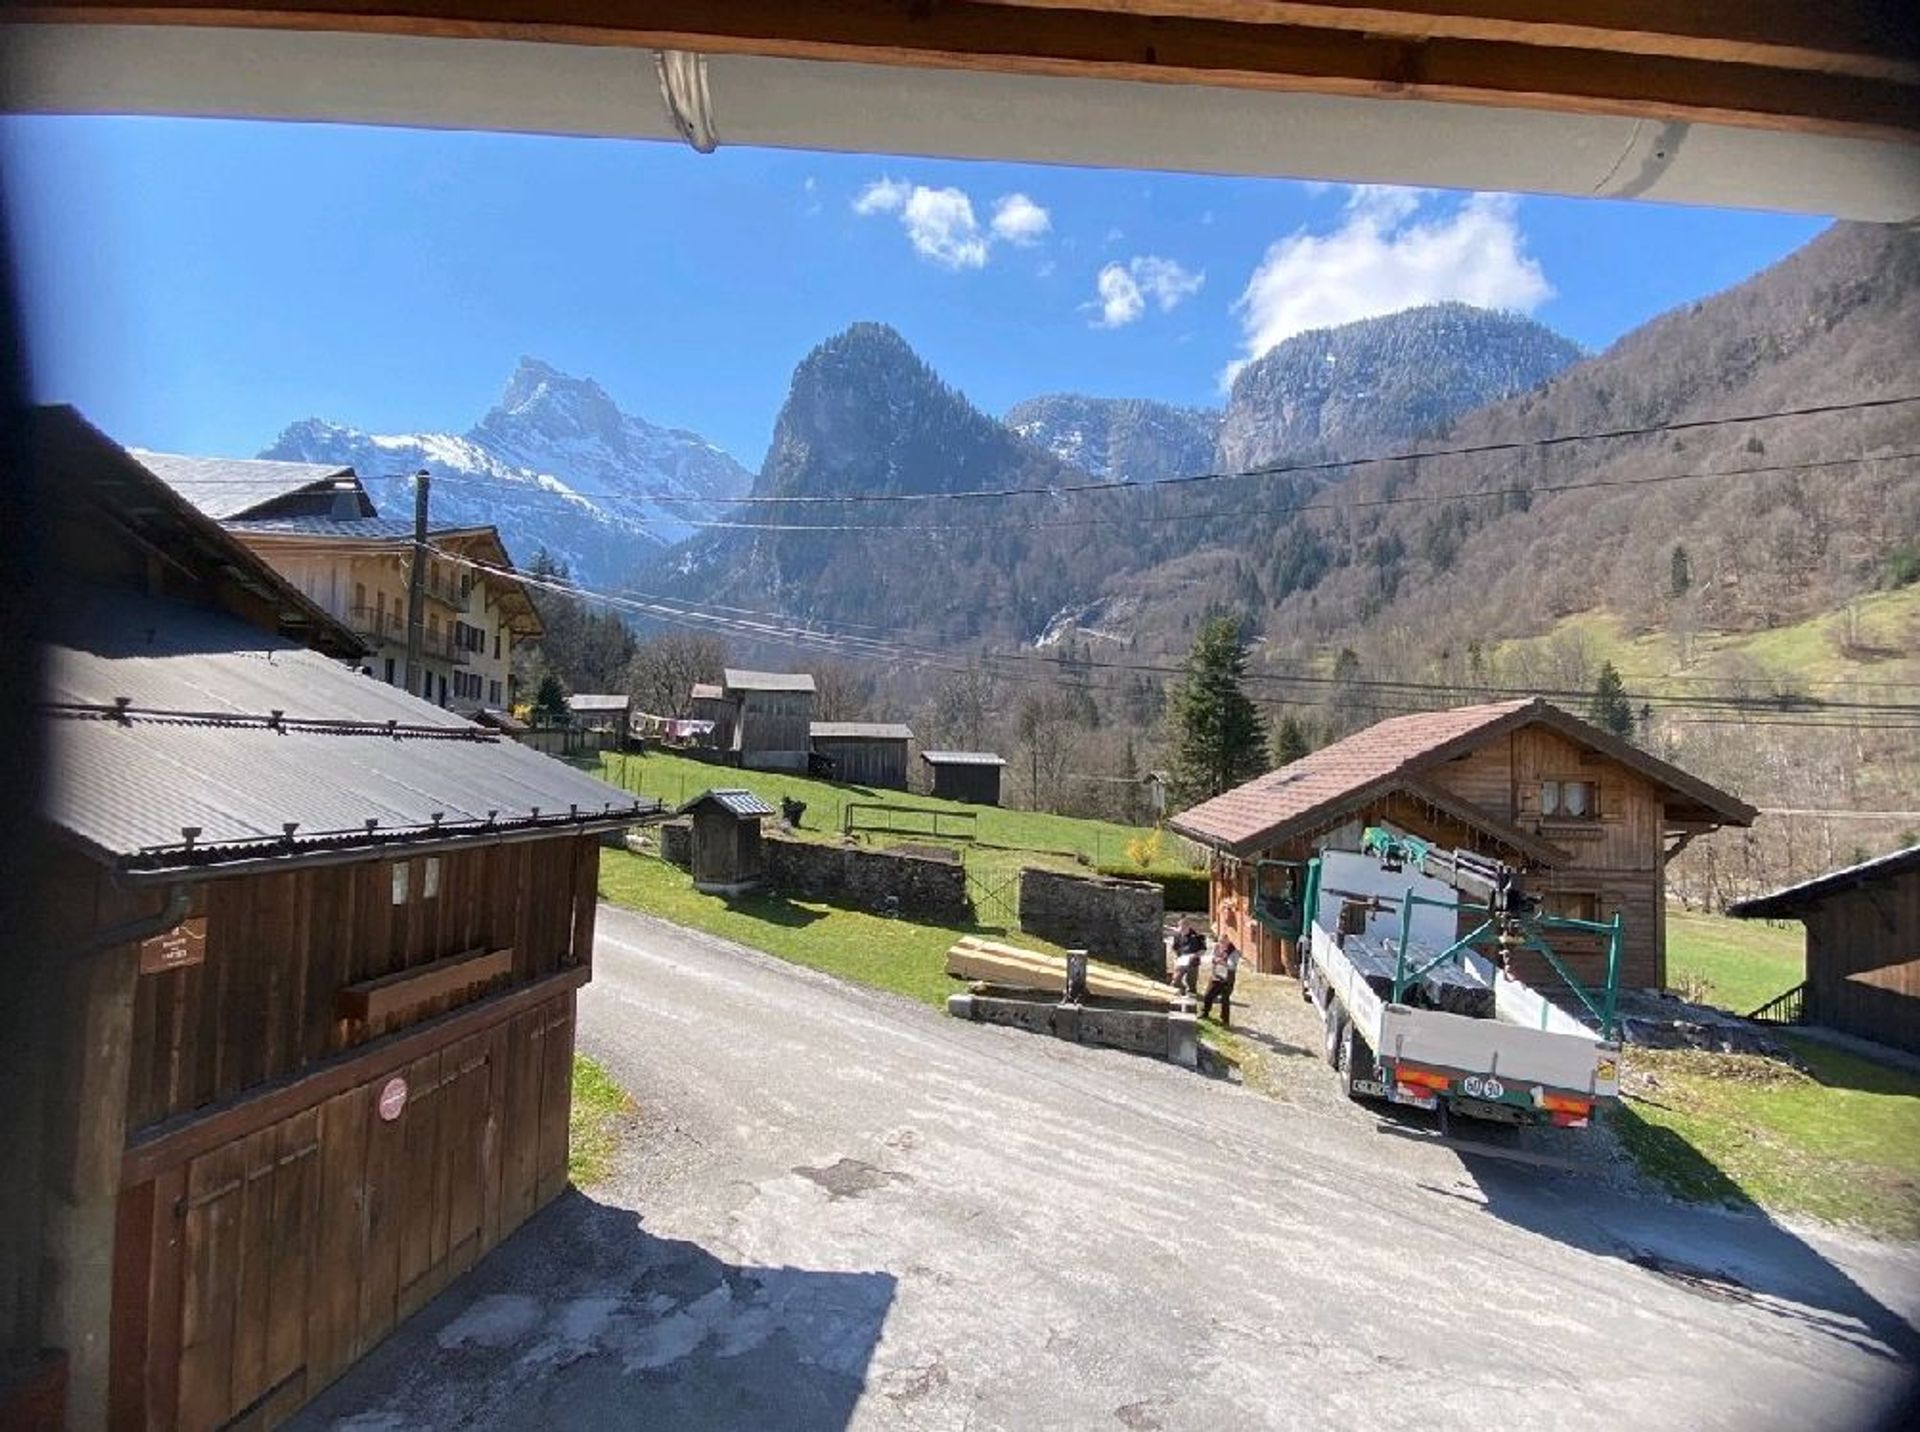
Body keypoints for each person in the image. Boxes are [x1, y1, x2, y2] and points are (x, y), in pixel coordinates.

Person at [1201, 935, 1242, 1026]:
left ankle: (1225, 1020)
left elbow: (1232, 966)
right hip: (1216, 976)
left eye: (1224, 942)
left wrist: (1224, 962)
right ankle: (1205, 1013)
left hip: (1227, 979)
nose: (1222, 944)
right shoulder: (1216, 947)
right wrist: (1214, 959)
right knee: (1208, 995)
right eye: (1220, 942)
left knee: (1225, 1000)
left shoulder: (1233, 951)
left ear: (1228, 941)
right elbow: (1209, 957)